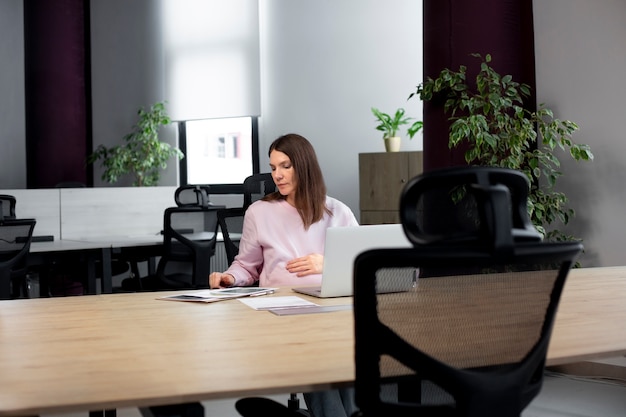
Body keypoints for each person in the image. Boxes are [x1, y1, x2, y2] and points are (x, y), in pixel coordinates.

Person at [210, 133, 358, 417]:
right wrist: (229, 278)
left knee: (348, 361)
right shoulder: (260, 212)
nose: (277, 175)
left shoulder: (337, 211)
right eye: (273, 167)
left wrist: (327, 263)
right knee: (320, 359)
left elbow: (363, 261)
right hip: (282, 312)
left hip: (331, 310)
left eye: (285, 166)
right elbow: (246, 266)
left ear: (304, 166)